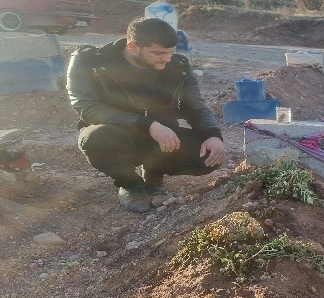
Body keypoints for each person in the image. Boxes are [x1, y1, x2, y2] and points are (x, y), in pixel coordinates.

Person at [66, 17, 224, 213]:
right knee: (98, 138)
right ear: (133, 47)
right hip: (116, 133)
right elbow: (87, 107)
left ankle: (154, 174)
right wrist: (148, 124)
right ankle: (130, 184)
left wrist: (212, 134)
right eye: (158, 53)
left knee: (209, 154)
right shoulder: (91, 62)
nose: (166, 59)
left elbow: (195, 107)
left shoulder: (178, 67)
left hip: (162, 137)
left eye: (170, 53)